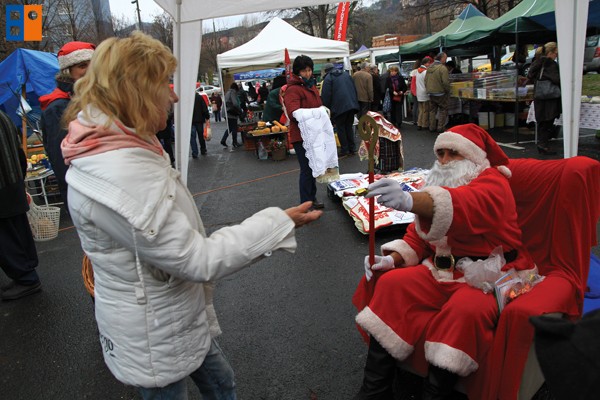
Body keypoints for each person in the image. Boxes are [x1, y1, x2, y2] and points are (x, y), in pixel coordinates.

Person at [60, 31, 322, 400]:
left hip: (172, 316)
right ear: (133, 91)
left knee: (222, 384)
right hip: (156, 336)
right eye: (163, 83)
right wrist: (278, 222)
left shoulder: (120, 144)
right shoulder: (118, 173)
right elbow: (196, 259)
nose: (175, 95)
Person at [353, 123, 536, 400]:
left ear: (474, 158)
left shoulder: (493, 182)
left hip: (489, 274)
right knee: (392, 285)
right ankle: (374, 392)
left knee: (465, 311)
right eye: (441, 154)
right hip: (442, 270)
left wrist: (410, 200)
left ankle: (435, 394)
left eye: (454, 154)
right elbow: (417, 237)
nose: (445, 161)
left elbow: (466, 204)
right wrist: (392, 259)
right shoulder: (438, 183)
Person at [39, 41, 95, 211]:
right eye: (82, 65)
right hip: (83, 192)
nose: (89, 70)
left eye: (93, 64)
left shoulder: (93, 97)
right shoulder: (57, 107)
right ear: (67, 71)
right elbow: (61, 159)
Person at [0, 110, 42, 301]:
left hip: (3, 184)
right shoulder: (3, 115)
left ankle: (26, 279)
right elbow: (19, 151)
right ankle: (27, 273)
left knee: (7, 235)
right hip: (13, 180)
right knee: (18, 230)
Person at [281, 55, 326, 210]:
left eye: (309, 70)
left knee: (313, 168)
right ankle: (305, 204)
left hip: (314, 134)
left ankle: (311, 199)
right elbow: (293, 112)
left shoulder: (311, 86)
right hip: (301, 136)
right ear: (297, 72)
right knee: (306, 170)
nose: (308, 73)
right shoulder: (293, 89)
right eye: (304, 70)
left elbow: (318, 104)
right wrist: (316, 113)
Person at [527, 42, 561, 155]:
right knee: (548, 121)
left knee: (542, 122)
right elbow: (557, 79)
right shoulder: (551, 64)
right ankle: (544, 145)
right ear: (550, 53)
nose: (556, 55)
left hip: (539, 96)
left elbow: (530, 76)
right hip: (549, 97)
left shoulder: (537, 62)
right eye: (556, 53)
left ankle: (542, 144)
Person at [320, 63, 359, 156]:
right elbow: (354, 89)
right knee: (349, 126)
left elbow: (326, 96)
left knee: (341, 128)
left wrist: (327, 108)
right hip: (351, 105)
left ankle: (345, 149)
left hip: (338, 107)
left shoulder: (328, 78)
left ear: (326, 70)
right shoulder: (346, 74)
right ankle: (352, 148)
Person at [425, 52, 451, 133]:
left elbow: (425, 80)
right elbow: (446, 82)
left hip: (430, 92)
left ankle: (432, 127)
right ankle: (440, 127)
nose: (446, 60)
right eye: (445, 58)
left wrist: (428, 89)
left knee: (432, 110)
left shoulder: (429, 68)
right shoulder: (442, 68)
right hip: (441, 93)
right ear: (442, 58)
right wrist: (447, 90)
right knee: (443, 110)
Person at [221, 82, 243, 148]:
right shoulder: (233, 92)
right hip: (231, 113)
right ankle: (235, 142)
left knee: (230, 128)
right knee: (234, 128)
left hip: (226, 112)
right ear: (236, 88)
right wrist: (239, 110)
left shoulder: (228, 92)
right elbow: (235, 103)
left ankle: (223, 140)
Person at [190, 90, 210, 158]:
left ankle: (194, 152)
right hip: (199, 120)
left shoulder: (187, 99)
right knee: (201, 136)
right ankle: (203, 149)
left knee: (192, 137)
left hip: (191, 121)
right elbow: (204, 108)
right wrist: (207, 117)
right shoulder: (199, 97)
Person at [416, 56, 433, 131]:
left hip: (419, 92)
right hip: (425, 93)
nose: (429, 65)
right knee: (426, 110)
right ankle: (424, 125)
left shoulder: (417, 71)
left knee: (421, 110)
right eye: (429, 63)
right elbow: (427, 83)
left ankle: (419, 123)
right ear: (426, 63)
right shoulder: (425, 72)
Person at [409, 59, 421, 125]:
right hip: (419, 90)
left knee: (415, 106)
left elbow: (410, 81)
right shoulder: (420, 71)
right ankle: (418, 119)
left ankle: (414, 120)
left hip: (413, 90)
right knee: (419, 106)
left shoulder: (413, 72)